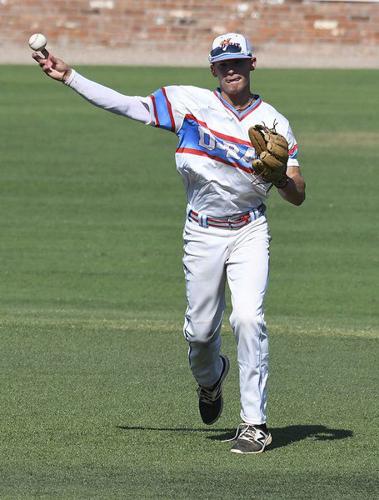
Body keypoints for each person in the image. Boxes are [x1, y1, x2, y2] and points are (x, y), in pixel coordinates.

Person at [32, 32, 305, 454]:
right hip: (201, 232)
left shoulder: (274, 122)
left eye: (239, 61)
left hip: (250, 230)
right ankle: (211, 378)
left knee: (248, 318)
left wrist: (280, 177)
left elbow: (298, 193)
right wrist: (70, 77)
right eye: (223, 63)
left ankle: (255, 423)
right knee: (199, 336)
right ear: (213, 69)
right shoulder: (187, 103)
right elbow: (125, 104)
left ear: (253, 64)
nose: (232, 69)